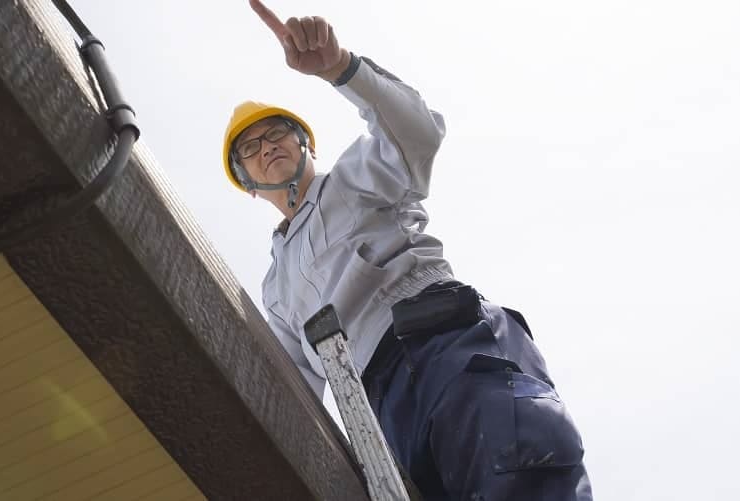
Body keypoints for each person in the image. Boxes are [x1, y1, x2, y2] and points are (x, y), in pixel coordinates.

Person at [222, 1, 594, 499]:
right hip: (380, 409)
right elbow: (295, 393)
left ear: (307, 143)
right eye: (250, 147)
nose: (267, 146)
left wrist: (341, 68)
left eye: (277, 133)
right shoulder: (276, 288)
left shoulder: (357, 177)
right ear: (245, 181)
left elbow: (418, 132)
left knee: (516, 465)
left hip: (445, 341)